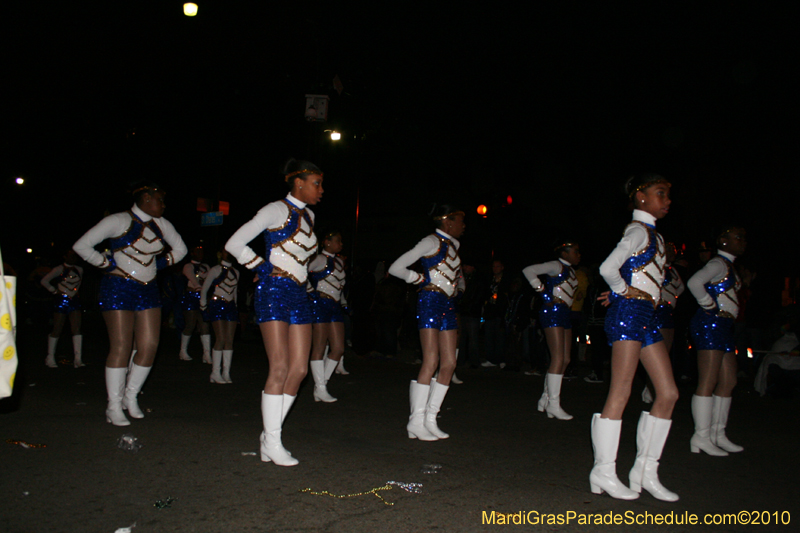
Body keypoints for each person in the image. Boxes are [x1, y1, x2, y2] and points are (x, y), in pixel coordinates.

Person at [225, 159, 323, 466]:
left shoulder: (310, 215)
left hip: (299, 294)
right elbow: (234, 243)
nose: (321, 189)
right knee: (279, 367)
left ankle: (270, 437)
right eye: (316, 183)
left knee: (300, 370)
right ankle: (273, 440)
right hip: (274, 291)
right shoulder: (275, 210)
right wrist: (261, 267)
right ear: (298, 183)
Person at [590, 173, 679, 502]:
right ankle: (603, 469)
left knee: (668, 393)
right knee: (621, 390)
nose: (667, 200)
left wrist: (620, 291)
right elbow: (607, 267)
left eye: (668, 195)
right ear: (640, 197)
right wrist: (621, 292)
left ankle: (645, 472)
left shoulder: (653, 234)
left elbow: (635, 272)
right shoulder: (638, 230)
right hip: (630, 315)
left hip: (646, 317)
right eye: (661, 193)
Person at [73, 183, 187, 426]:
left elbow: (181, 248)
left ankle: (130, 396)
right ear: (146, 198)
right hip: (117, 287)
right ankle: (113, 405)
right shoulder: (117, 220)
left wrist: (162, 264)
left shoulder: (162, 225)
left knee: (149, 345)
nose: (164, 205)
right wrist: (103, 263)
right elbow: (81, 245)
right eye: (160, 200)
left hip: (148, 290)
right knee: (121, 345)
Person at [388, 204, 465, 441]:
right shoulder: (431, 242)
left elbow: (455, 275)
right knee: (431, 359)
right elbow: (396, 267)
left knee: (450, 362)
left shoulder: (455, 246)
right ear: (448, 222)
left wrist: (458, 288)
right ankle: (415, 421)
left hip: (447, 304)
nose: (464, 226)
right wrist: (417, 278)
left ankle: (430, 418)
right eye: (460, 221)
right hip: (430, 300)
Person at [687, 226, 747, 456]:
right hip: (710, 323)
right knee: (708, 380)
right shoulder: (718, 263)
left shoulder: (728, 266)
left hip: (723, 326)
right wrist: (708, 304)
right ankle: (701, 436)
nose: (743, 242)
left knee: (729, 380)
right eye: (738, 238)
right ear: (723, 241)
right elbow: (695, 282)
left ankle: (717, 433)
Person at [523, 242, 581, 420]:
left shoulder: (571, 270)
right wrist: (544, 294)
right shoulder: (557, 265)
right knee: (557, 357)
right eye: (575, 251)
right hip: (553, 312)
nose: (578, 255)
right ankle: (554, 405)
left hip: (565, 313)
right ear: (564, 252)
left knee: (565, 358)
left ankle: (546, 398)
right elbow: (528, 270)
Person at [642, 242, 685, 402]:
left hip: (668, 313)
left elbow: (680, 287)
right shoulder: (656, 266)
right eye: (668, 250)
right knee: (656, 351)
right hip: (656, 312)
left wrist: (671, 299)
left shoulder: (672, 270)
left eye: (674, 250)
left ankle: (654, 386)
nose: (672, 253)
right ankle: (649, 388)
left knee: (665, 351)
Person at [307, 231, 347, 402]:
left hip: (335, 306)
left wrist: (343, 302)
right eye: (338, 241)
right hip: (320, 304)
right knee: (320, 346)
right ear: (327, 243)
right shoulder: (319, 259)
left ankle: (321, 384)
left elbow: (340, 286)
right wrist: (310, 291)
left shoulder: (339, 261)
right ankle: (321, 388)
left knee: (338, 348)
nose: (341, 244)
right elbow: (301, 273)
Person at [200, 250, 239, 384]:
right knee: (221, 338)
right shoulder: (215, 270)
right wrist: (203, 306)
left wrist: (236, 306)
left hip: (231, 306)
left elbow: (234, 293)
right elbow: (204, 288)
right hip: (217, 303)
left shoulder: (236, 272)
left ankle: (226, 372)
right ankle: (215, 372)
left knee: (229, 340)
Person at [41, 250, 84, 368]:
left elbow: (78, 285)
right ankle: (50, 357)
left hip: (74, 300)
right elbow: (44, 280)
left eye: (75, 256)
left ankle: (77, 359)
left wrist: (74, 294)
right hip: (61, 300)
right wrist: (54, 291)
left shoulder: (80, 269)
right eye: (70, 255)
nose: (73, 258)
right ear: (65, 256)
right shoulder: (58, 269)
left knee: (76, 328)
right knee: (57, 328)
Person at [178, 246, 211, 362]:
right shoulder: (188, 266)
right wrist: (199, 286)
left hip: (202, 296)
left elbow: (209, 280)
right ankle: (183, 351)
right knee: (190, 324)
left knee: (205, 324)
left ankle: (207, 354)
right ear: (192, 253)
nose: (200, 253)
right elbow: (193, 279)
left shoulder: (206, 267)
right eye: (197, 251)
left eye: (201, 251)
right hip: (191, 297)